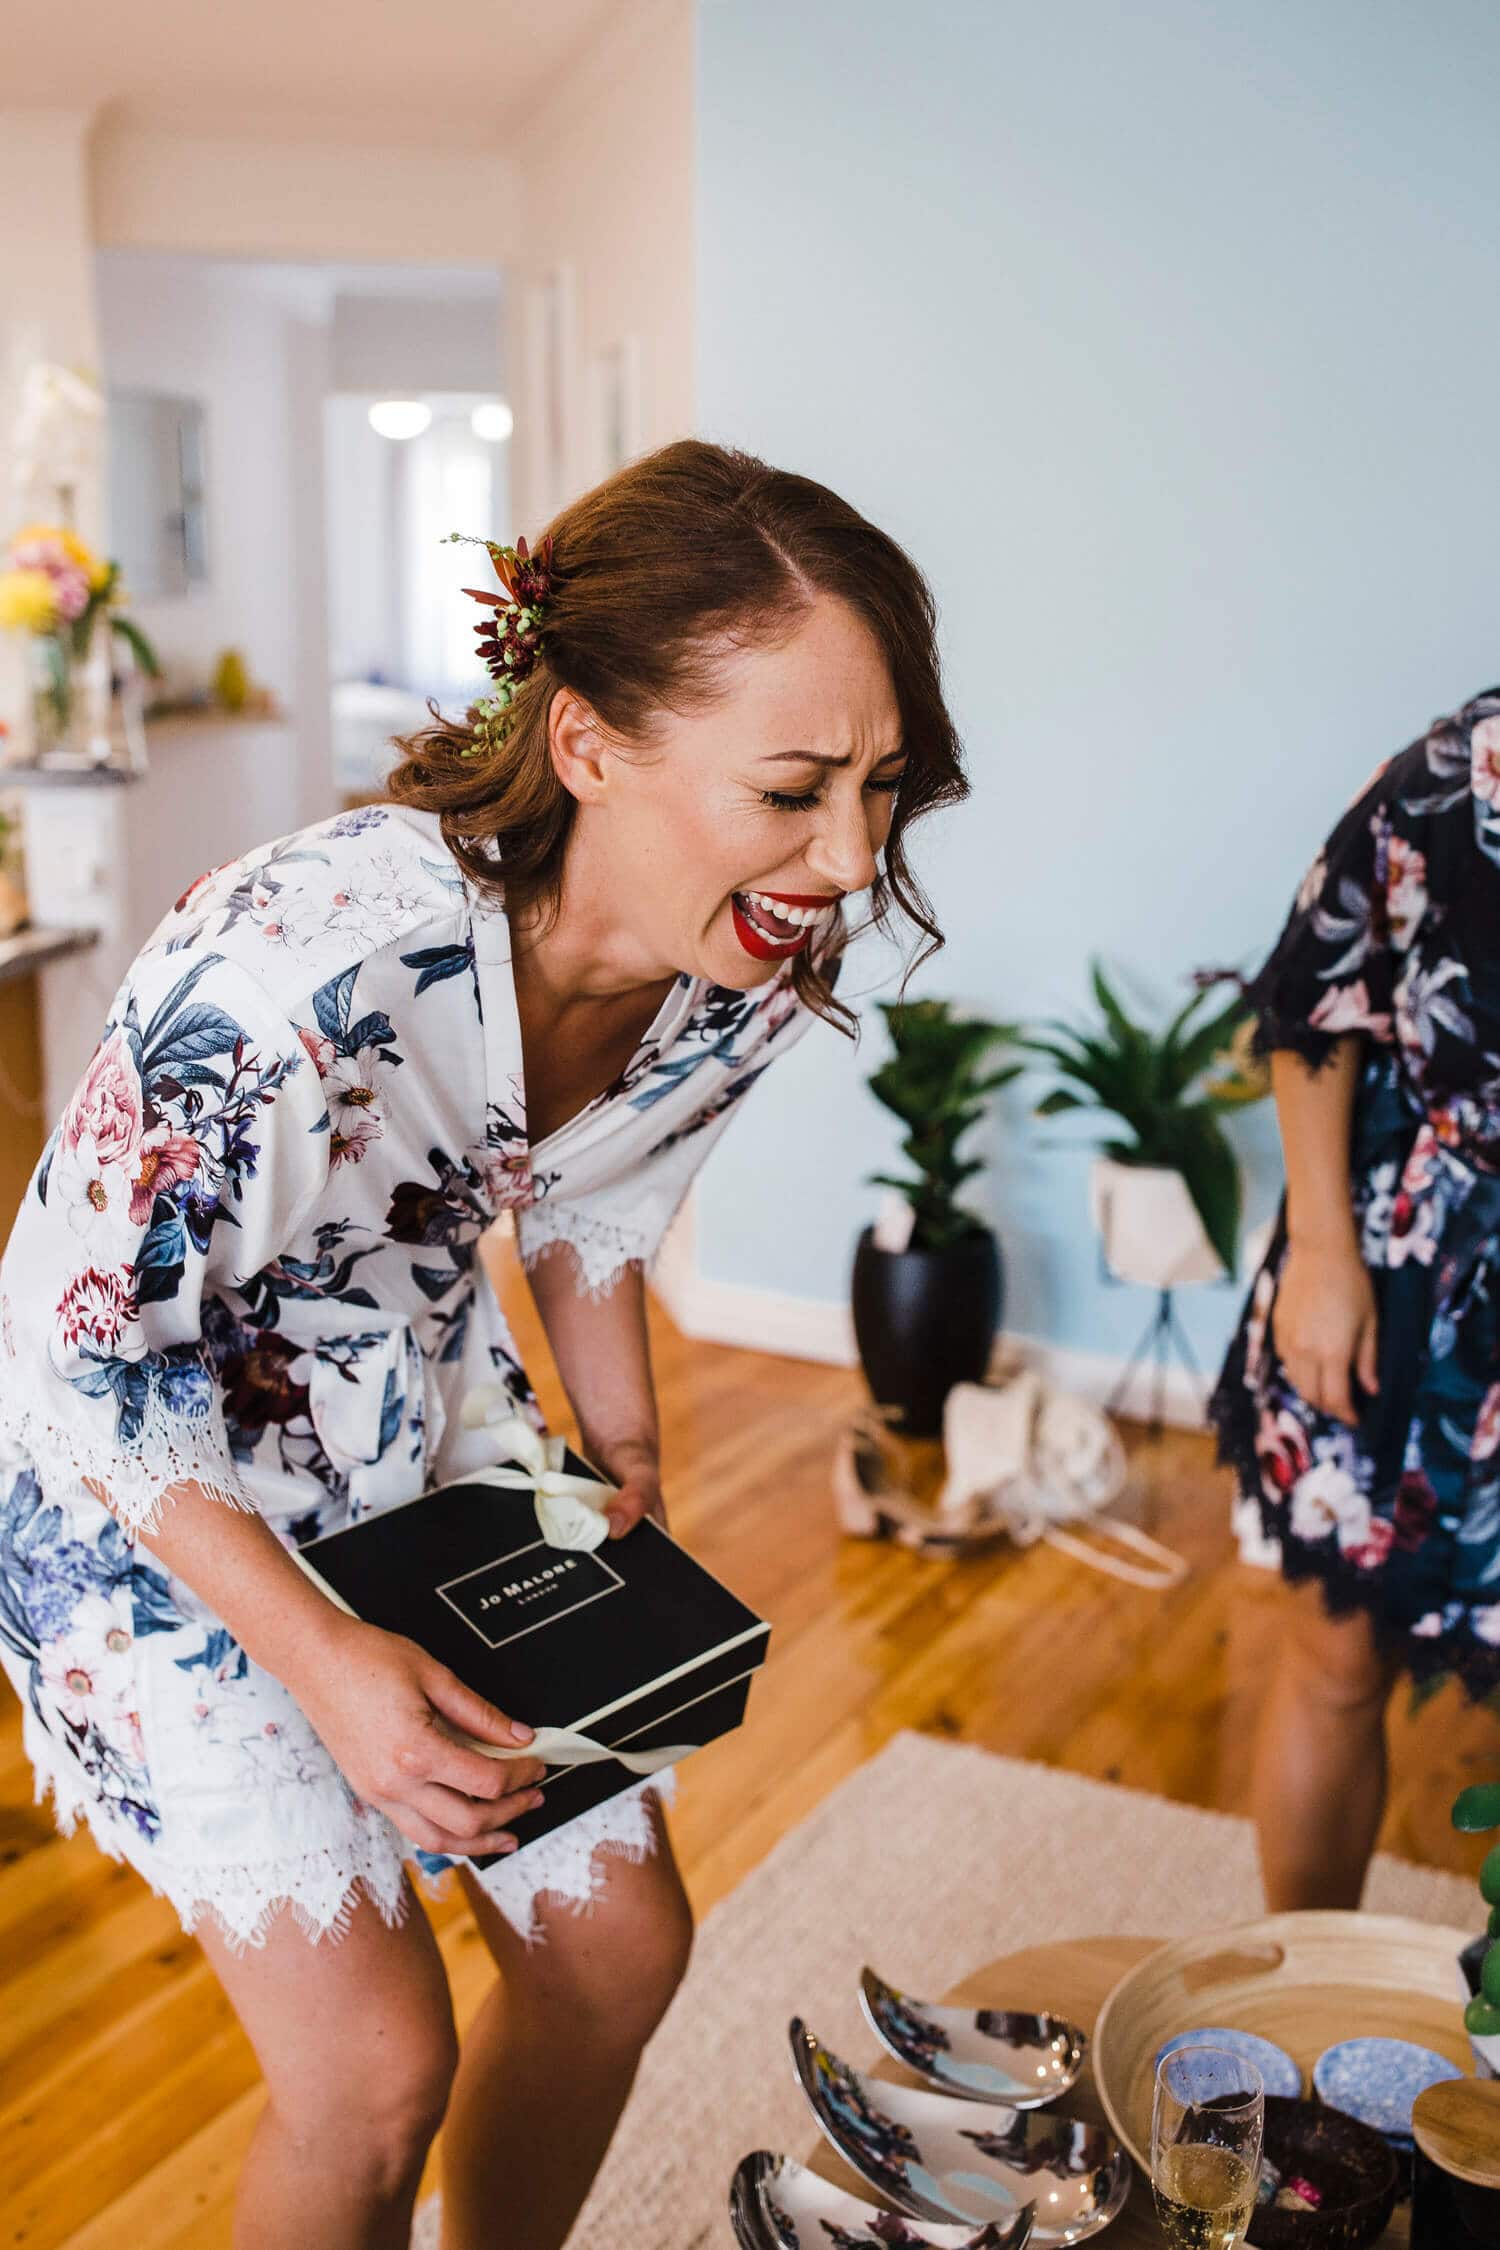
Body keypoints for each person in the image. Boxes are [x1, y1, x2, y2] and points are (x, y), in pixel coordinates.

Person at [0, 439, 966, 2250]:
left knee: (618, 1953)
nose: (849, 858)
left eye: (884, 787)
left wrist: (630, 1453)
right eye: (794, 789)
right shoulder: (304, 972)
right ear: (590, 742)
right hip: (148, 1465)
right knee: (373, 2073)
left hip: (415, 1400)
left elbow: (589, 1206)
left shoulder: (734, 955)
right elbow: (76, 1350)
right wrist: (329, 1662)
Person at [1211, 687, 1500, 1914]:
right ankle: (1297, 1991)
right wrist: (1324, 1253)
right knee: (1337, 1654)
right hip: (1409, 1261)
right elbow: (1316, 991)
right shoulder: (1471, 765)